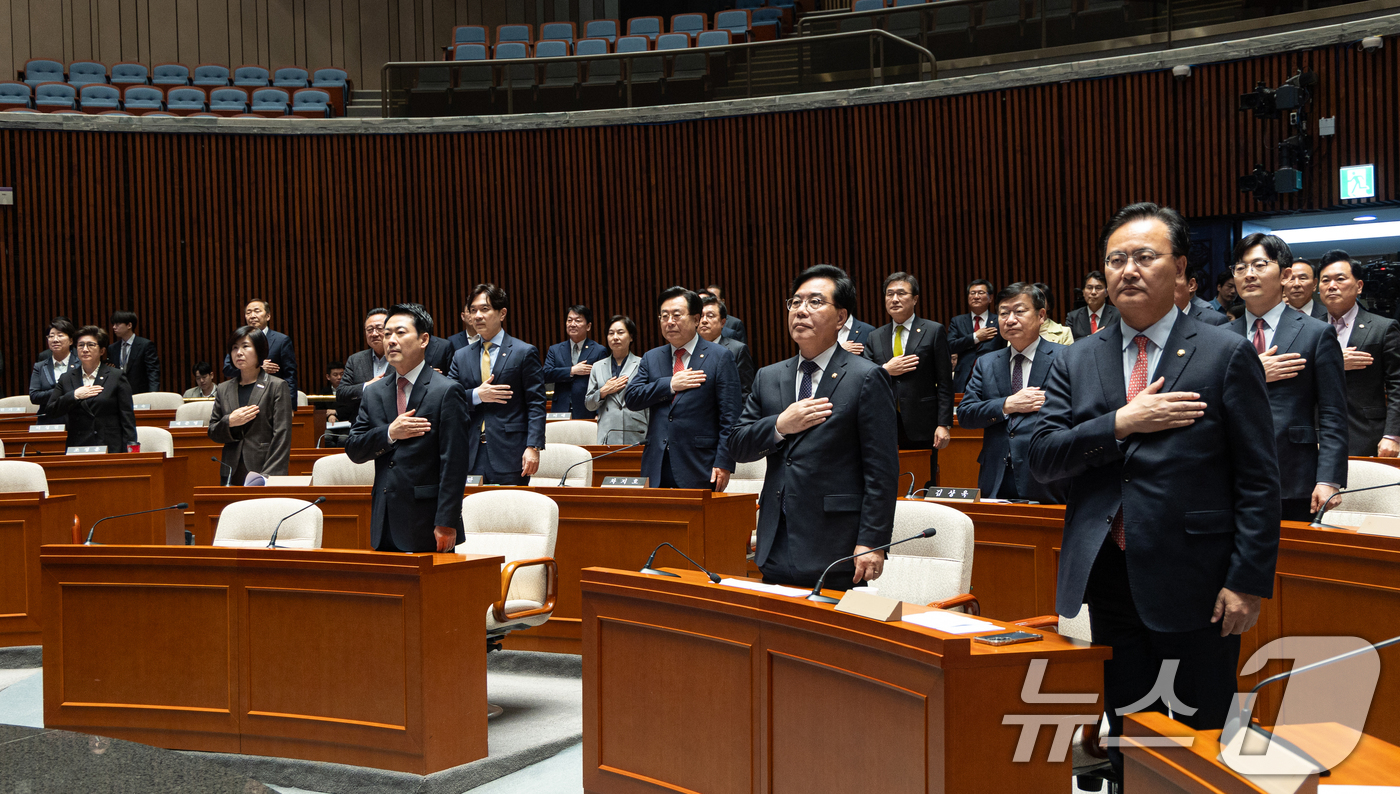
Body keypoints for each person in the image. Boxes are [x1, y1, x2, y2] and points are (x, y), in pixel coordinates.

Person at [1028, 202, 1280, 779]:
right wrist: (1123, 422)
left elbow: (1259, 480)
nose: (1128, 270)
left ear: (1181, 267)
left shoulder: (1224, 351)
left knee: (1197, 739)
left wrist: (1246, 581)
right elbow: (1042, 457)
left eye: (1145, 256)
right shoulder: (1076, 359)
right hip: (1110, 578)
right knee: (1129, 735)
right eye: (1117, 259)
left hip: (1199, 580)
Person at [730, 264, 898, 590]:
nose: (801, 311)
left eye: (815, 302)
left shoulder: (865, 377)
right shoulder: (769, 376)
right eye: (795, 302)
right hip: (776, 540)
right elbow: (737, 443)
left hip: (837, 546)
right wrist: (780, 424)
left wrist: (871, 542)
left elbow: (882, 470)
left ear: (841, 318)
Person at [1228, 233, 1347, 522]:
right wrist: (1255, 374)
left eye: (1259, 264)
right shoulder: (1219, 336)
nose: (1249, 274)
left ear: (1285, 274)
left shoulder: (1316, 333)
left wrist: (1329, 478)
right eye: (1241, 267)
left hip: (1293, 474)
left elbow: (1333, 412)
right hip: (1228, 475)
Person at [345, 303, 470, 553]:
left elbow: (454, 464)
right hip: (384, 520)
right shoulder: (374, 392)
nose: (390, 340)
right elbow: (354, 449)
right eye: (387, 333)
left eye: (400, 333)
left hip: (428, 521)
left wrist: (446, 522)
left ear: (423, 339)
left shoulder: (446, 391)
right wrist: (390, 433)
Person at [957, 284, 1067, 503]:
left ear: (1041, 315)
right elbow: (966, 414)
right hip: (996, 474)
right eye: (1004, 313)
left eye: (1019, 311)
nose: (1010, 319)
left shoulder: (1065, 358)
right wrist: (1008, 404)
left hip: (1046, 474)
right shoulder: (986, 363)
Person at [625, 286, 742, 490]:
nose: (669, 322)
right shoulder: (652, 357)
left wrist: (724, 462)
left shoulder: (720, 357)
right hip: (657, 465)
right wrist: (669, 385)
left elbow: (730, 417)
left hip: (700, 464)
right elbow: (632, 397)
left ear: (696, 319)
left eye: (676, 315)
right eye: (664, 316)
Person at [448, 284, 546, 486]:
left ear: (502, 313)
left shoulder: (523, 352)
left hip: (511, 451)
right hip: (470, 451)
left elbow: (536, 402)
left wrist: (533, 446)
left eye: (484, 309)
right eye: (473, 310)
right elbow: (447, 398)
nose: (477, 316)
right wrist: (476, 395)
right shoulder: (461, 355)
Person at [863, 272, 953, 490]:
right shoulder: (875, 336)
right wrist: (885, 370)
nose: (894, 299)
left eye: (901, 293)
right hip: (884, 423)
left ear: (915, 299)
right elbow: (864, 377)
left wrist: (944, 424)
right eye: (889, 294)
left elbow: (944, 382)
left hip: (923, 423)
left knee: (925, 482)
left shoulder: (933, 330)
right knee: (887, 483)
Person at [1318, 250, 1400, 457]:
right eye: (1325, 280)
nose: (1332, 286)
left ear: (1359, 286)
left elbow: (1397, 384)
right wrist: (1334, 362)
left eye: (1340, 279)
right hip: (1316, 434)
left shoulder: (1383, 327)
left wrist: (1393, 435)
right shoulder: (1308, 328)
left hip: (1366, 433)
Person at [209, 325, 293, 483]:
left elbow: (282, 437)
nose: (238, 352)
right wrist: (229, 422)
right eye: (234, 348)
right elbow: (213, 431)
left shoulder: (276, 386)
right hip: (231, 471)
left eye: (245, 346)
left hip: (264, 470)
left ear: (259, 350)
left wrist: (267, 477)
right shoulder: (223, 389)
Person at [46, 326, 137, 453]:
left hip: (109, 446)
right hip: (78, 447)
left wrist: (130, 450)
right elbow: (51, 410)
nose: (85, 349)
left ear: (102, 350)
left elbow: (127, 418)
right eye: (81, 345)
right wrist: (74, 395)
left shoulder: (116, 376)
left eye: (91, 345)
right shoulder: (66, 378)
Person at [584, 315, 649, 445]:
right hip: (608, 431)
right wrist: (602, 392)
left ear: (631, 337)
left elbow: (649, 400)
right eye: (611, 333)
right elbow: (589, 405)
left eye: (620, 332)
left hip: (636, 430)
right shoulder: (597, 366)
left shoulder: (643, 363)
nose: (615, 337)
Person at [542, 305, 608, 419]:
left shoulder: (598, 350)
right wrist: (572, 370)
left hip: (587, 409)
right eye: (569, 320)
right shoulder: (555, 349)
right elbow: (545, 374)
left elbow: (603, 384)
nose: (572, 324)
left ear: (588, 326)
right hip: (560, 409)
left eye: (578, 321)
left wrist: (599, 412)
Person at [222, 299, 297, 395]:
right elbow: (228, 369)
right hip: (242, 394)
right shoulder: (238, 340)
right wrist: (257, 368)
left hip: (272, 395)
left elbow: (290, 376)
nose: (252, 316)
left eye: (257, 311)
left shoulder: (281, 340)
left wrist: (290, 406)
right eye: (248, 312)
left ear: (268, 316)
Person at [949, 279, 1006, 393]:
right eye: (972, 293)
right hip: (964, 378)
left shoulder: (999, 320)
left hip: (992, 375)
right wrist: (975, 337)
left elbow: (1004, 348)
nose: (976, 297)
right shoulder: (958, 321)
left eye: (980, 293)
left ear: (990, 298)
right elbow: (950, 346)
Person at [337, 309, 391, 424]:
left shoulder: (404, 357)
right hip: (362, 427)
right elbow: (341, 394)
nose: (374, 334)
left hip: (394, 425)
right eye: (370, 330)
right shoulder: (355, 360)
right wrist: (367, 386)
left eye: (379, 328)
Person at [699, 294, 757, 394]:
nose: (704, 320)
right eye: (701, 316)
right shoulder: (689, 349)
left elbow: (745, 391)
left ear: (723, 322)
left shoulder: (738, 350)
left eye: (710, 316)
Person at [30, 317, 79, 423]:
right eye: (51, 336)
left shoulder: (80, 364)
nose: (55, 339)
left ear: (71, 340)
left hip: (76, 420)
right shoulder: (40, 366)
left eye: (60, 335)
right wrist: (62, 391)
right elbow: (34, 397)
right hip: (48, 420)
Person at [107, 310, 161, 394]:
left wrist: (153, 393)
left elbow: (153, 371)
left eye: (117, 324)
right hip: (118, 393)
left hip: (140, 392)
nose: (114, 327)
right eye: (113, 324)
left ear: (129, 325)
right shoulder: (112, 348)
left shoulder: (145, 345)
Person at [1066, 271, 1120, 340]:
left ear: (1107, 293)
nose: (1093, 292)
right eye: (1089, 288)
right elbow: (1069, 344)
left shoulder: (1118, 315)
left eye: (1098, 288)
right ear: (1083, 292)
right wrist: (1091, 338)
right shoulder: (1073, 317)